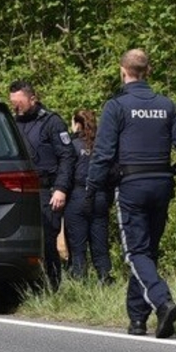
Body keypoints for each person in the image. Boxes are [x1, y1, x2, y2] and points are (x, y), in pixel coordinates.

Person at [87, 49, 176, 338]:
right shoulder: (166, 105)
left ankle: (162, 302)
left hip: (132, 185)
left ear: (122, 71)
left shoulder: (117, 106)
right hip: (162, 185)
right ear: (148, 71)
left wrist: (92, 187)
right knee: (147, 252)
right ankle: (138, 319)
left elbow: (102, 153)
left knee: (135, 252)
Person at [9, 80, 75, 289]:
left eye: (19, 103)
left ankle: (52, 287)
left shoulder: (52, 122)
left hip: (47, 190)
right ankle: (24, 287)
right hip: (20, 192)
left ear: (33, 99)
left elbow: (67, 157)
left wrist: (61, 189)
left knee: (47, 241)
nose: (15, 108)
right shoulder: (12, 123)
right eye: (12, 104)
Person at [63, 109, 111, 282]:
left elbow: (66, 173)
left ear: (77, 124)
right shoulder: (102, 145)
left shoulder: (72, 145)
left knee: (78, 247)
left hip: (77, 196)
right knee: (100, 245)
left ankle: (79, 280)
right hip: (100, 196)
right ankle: (105, 279)